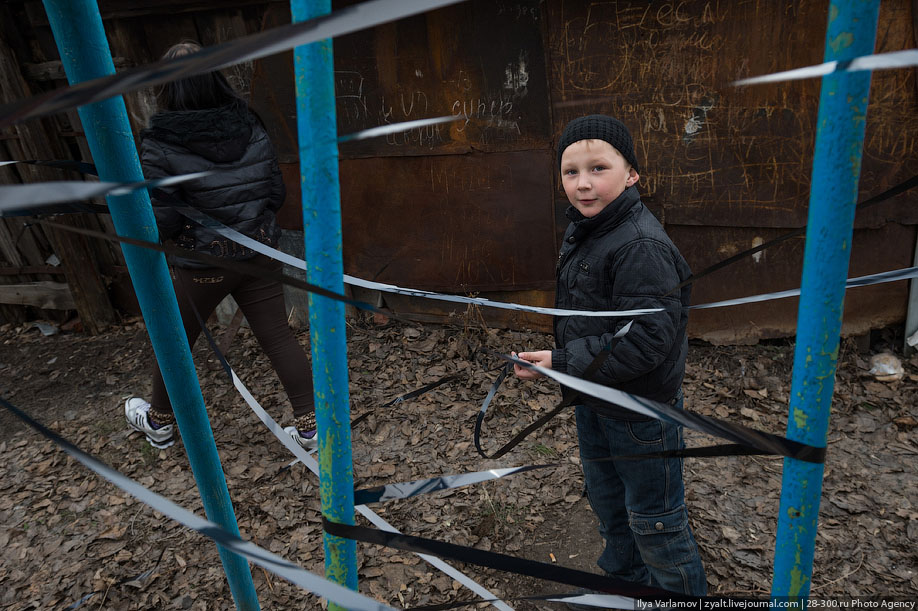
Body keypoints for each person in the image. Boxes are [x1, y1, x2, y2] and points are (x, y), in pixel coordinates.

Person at [513, 115, 706, 597]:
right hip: (595, 399)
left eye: (598, 168)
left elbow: (644, 340)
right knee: (609, 505)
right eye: (570, 171)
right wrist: (562, 361)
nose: (582, 184)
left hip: (640, 411)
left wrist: (561, 361)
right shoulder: (590, 229)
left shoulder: (639, 245)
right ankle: (627, 592)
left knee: (656, 522)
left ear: (632, 174)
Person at [124, 41, 317, 452]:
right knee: (279, 338)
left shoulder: (159, 143)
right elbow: (274, 194)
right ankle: (312, 430)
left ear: (169, 87)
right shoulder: (250, 124)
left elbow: (162, 220)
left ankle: (158, 423)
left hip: (203, 264)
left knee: (174, 342)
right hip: (259, 251)